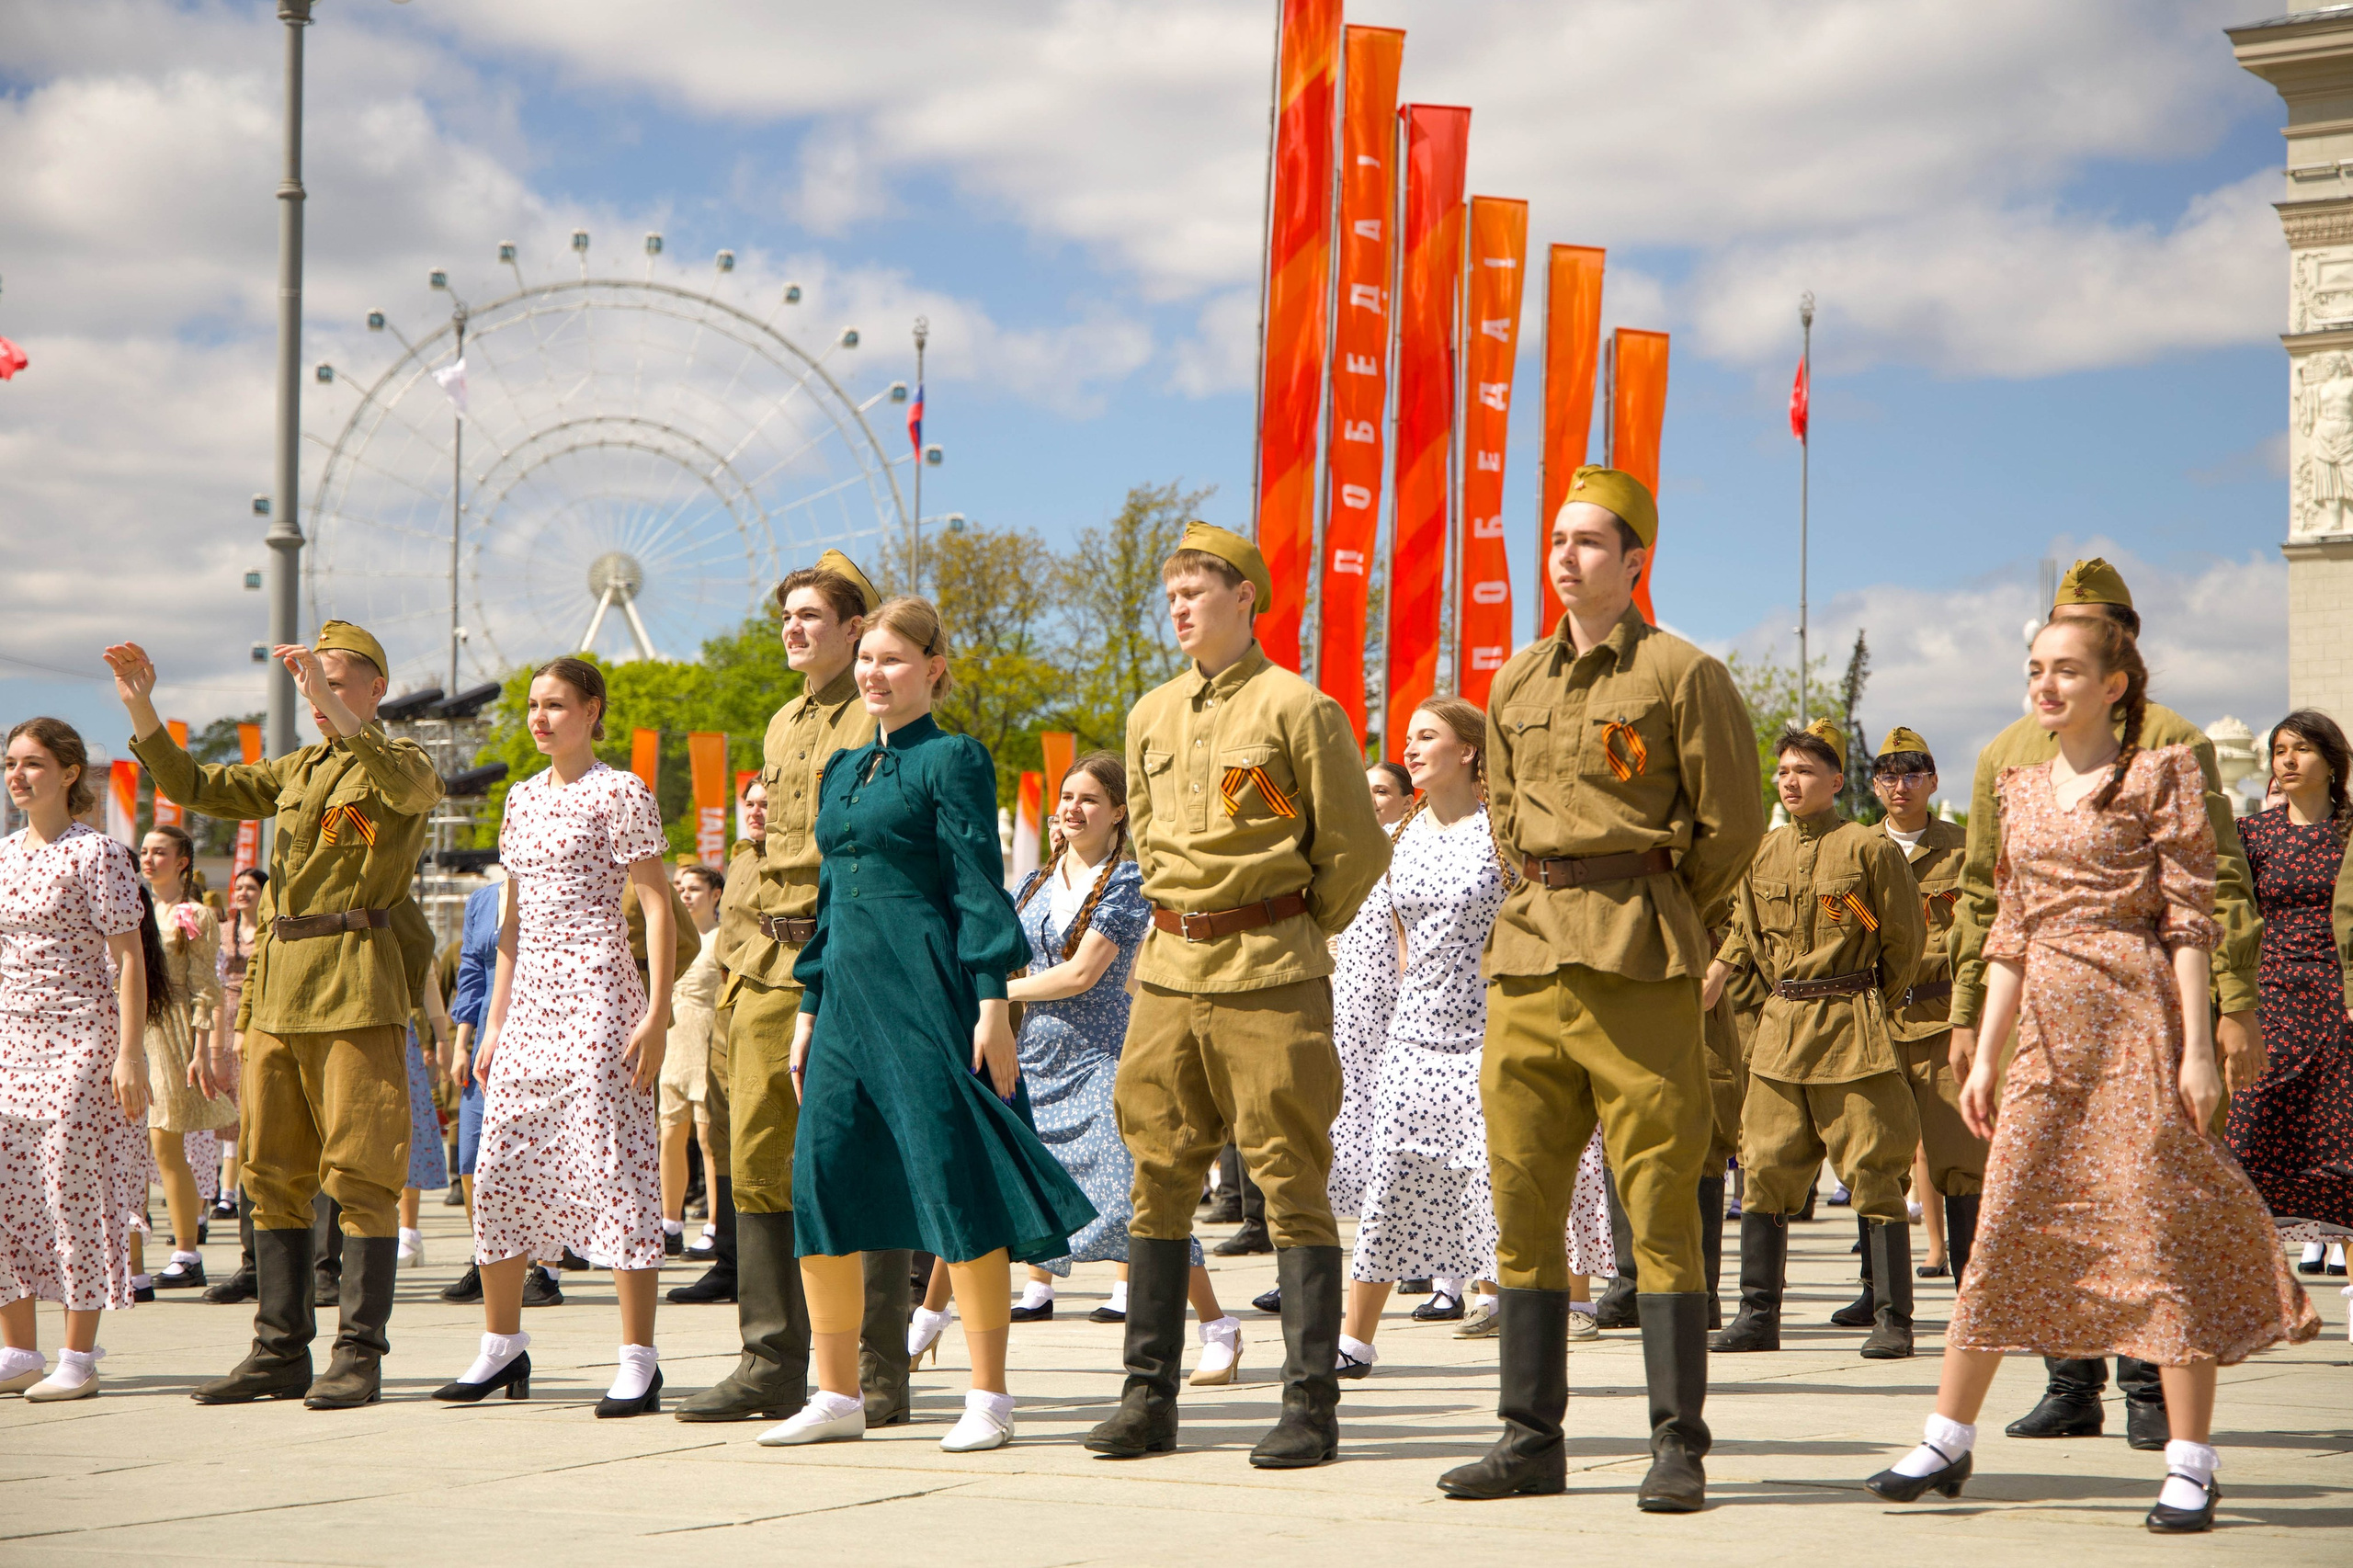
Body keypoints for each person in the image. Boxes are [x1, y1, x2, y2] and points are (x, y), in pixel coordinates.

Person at [1863, 615, 2319, 1532]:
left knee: (2155, 1228)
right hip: (2039, 1034)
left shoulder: (2161, 774)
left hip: (2134, 1019)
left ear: (2114, 683)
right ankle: (1947, 1436)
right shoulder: (2019, 784)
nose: (2046, 683)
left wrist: (2196, 1046)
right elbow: (2008, 933)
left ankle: (2190, 1461)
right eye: (2036, 668)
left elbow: (2190, 922)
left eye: (2067, 669)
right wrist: (1985, 1051)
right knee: (2002, 1223)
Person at [1439, 468, 1763, 1513]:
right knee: (1522, 1202)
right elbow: (1502, 821)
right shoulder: (1512, 682)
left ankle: (1677, 1443)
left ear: (1633, 562)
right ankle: (1528, 1438)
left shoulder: (1683, 672)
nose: (1566, 556)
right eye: (1556, 541)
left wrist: (1659, 905)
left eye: (1588, 542)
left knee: (1662, 1202)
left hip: (1638, 959)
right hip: (1530, 959)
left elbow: (1732, 828)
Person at [1943, 560, 2268, 1449]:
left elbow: (2213, 886)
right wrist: (1968, 1017)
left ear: (2117, 649)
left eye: (2078, 642)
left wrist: (2224, 1012)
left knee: (2142, 1202)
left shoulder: (2171, 742)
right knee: (2038, 1201)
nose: (2049, 675)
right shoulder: (2006, 753)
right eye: (2043, 645)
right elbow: (1987, 896)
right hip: (2042, 1010)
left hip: (2140, 1004)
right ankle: (2065, 1380)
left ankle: (2150, 1398)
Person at [759, 595, 1095, 1455]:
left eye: (894, 660)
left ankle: (989, 1397)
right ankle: (835, 1395)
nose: (874, 673)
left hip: (926, 993)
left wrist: (992, 1004)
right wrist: (809, 1004)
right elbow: (829, 899)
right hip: (843, 1003)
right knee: (822, 1185)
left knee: (954, 1186)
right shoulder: (840, 769)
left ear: (934, 669)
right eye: (866, 659)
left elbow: (977, 885)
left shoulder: (954, 758)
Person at [1085, 522, 1388, 1470]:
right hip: (1168, 970)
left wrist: (1284, 919)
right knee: (1156, 1179)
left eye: (1197, 590)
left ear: (1246, 597)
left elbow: (1355, 847)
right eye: (1170, 592)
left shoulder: (1300, 707)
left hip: (1269, 969)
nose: (1179, 605)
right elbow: (1143, 852)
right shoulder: (1148, 714)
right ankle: (1148, 1397)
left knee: (1291, 1180)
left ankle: (1309, 1405)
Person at [112, 623, 443, 1411]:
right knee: (269, 1171)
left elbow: (406, 792)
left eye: (336, 681)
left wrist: (327, 699)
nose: (317, 696)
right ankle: (278, 1350)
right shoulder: (299, 769)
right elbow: (200, 787)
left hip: (357, 976)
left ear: (375, 689)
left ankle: (358, 1354)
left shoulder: (404, 764)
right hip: (281, 982)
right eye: (312, 681)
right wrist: (144, 710)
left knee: (362, 1171)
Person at [677, 553, 914, 1430]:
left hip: (844, 962)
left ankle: (879, 1371)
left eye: (813, 615)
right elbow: (767, 852)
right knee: (758, 1166)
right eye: (788, 615)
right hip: (761, 967)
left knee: (861, 1163)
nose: (794, 628)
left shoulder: (878, 719)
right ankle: (770, 1359)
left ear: (857, 630)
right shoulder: (781, 723)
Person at [434, 657, 676, 1416]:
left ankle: (639, 1358)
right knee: (499, 1164)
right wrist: (495, 1018)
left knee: (613, 1164)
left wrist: (658, 1010)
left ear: (592, 710)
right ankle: (501, 1345)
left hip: (600, 993)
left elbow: (659, 906)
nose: (541, 718)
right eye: (534, 706)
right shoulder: (519, 799)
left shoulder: (621, 790)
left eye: (557, 705)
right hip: (529, 999)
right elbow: (510, 923)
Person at [961, 753, 1240, 1382]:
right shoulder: (1030, 885)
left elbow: (1082, 974)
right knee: (994, 1199)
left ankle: (1218, 1326)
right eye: (1066, 796)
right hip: (1027, 1064)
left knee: (1136, 1205)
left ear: (1118, 811)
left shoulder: (1129, 883)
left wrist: (995, 996)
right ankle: (925, 1326)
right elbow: (993, 953)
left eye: (1090, 799)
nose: (1072, 808)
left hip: (1102, 1066)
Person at [1704, 720, 1927, 1359]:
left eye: (1804, 771)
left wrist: (1867, 1004)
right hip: (1779, 1031)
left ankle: (1892, 1316)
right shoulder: (1763, 852)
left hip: (1850, 1024)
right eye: (1783, 772)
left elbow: (1903, 943)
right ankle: (1757, 1314)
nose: (1791, 781)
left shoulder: (1868, 849)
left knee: (1873, 1170)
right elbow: (1745, 935)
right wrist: (1716, 975)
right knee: (1765, 1169)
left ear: (1835, 781)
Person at [1336, 699, 1514, 1379]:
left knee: (1493, 1185)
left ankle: (1517, 1322)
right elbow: (1397, 939)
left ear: (1469, 751)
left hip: (1487, 1034)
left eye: (1426, 736)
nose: (1409, 748)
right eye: (1407, 738)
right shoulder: (1402, 833)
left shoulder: (1501, 832)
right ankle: (1354, 1340)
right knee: (1390, 1176)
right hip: (1412, 1038)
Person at [0, 719, 162, 1403]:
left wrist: (130, 1055)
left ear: (70, 774)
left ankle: (78, 1352)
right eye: (10, 763)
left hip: (79, 1039)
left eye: (33, 763)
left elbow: (129, 959)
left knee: (72, 1190)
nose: (17, 776)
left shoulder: (98, 854)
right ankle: (17, 1350)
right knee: (7, 1191)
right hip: (10, 1038)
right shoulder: (4, 854)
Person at [1863, 727, 1984, 1294]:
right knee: (1877, 1160)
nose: (1901, 785)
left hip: (1944, 1024)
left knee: (1960, 1160)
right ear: (1873, 784)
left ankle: (1973, 1290)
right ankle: (1880, 1298)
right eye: (1889, 774)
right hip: (1877, 1026)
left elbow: (1986, 937)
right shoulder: (1857, 851)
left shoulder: (1966, 849)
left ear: (1934, 781)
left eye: (1914, 774)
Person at [2225, 710, 2353, 1237]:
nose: (2288, 760)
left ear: (2331, 760)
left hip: (2338, 1003)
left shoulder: (2350, 832)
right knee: (2248, 1142)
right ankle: (2254, 1298)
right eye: (2280, 750)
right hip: (2270, 1001)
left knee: (2340, 1150)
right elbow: (2230, 917)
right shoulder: (2250, 834)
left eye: (2301, 749)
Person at [670, 778, 762, 1311]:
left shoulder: (798, 859)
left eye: (766, 804)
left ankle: (770, 1269)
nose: (755, 811)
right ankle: (728, 1261)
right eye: (749, 803)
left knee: (767, 1141)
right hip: (727, 1016)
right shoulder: (741, 857)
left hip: (774, 1003)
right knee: (723, 1136)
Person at [137, 825, 236, 1292]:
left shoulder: (192, 914)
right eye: (145, 850)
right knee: (128, 1146)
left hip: (170, 1029)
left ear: (182, 861)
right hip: (128, 1027)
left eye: (160, 852)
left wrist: (200, 1049)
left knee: (164, 1142)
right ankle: (131, 1258)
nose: (149, 858)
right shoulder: (130, 909)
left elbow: (204, 987)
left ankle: (186, 1250)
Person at [201, 869, 267, 1305]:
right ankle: (252, 1261)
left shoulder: (273, 928)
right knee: (235, 1133)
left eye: (251, 887)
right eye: (237, 886)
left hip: (259, 1021)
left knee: (259, 1132)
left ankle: (298, 1266)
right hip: (221, 1023)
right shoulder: (220, 929)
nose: (241, 892)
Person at [660, 862, 726, 1257]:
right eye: (681, 887)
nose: (685, 894)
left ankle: (716, 1225)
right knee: (670, 1133)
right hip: (672, 1041)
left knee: (708, 1138)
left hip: (706, 1038)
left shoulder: (721, 938)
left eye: (695, 888)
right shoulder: (671, 934)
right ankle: (670, 1223)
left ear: (715, 894)